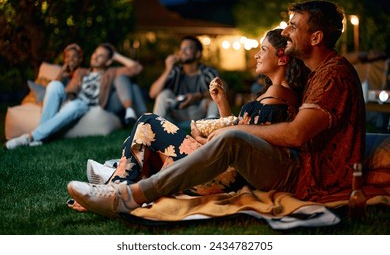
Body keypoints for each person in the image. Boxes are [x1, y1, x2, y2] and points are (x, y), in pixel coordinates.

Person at [67, 0, 366, 219]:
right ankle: (117, 183)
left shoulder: (334, 74)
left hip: (307, 177)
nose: (285, 32)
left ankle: (124, 193)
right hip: (296, 167)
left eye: (293, 26)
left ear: (316, 38)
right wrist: (229, 120)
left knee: (221, 137)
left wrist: (233, 127)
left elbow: (298, 133)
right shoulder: (319, 74)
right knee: (211, 136)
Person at [66, 28, 309, 212]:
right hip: (225, 169)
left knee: (149, 122)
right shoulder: (272, 94)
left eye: (263, 50)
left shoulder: (279, 97)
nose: (256, 55)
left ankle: (112, 187)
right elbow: (240, 135)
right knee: (151, 140)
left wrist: (208, 141)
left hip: (225, 177)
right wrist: (221, 103)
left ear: (282, 58)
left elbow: (248, 147)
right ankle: (113, 182)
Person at [5, 43, 145, 149]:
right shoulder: (81, 72)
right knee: (54, 86)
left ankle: (29, 137)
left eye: (101, 55)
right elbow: (69, 88)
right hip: (73, 100)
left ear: (108, 62)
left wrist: (115, 55)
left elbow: (137, 68)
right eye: (95, 53)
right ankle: (39, 138)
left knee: (76, 104)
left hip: (86, 105)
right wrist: (65, 93)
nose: (95, 56)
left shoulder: (110, 72)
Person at [149, 36, 220, 124]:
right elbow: (152, 94)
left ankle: (211, 128)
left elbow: (221, 91)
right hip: (177, 113)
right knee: (164, 94)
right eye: (181, 49)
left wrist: (197, 96)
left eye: (187, 48)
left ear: (198, 54)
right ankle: (156, 127)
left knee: (215, 99)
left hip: (200, 115)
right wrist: (168, 69)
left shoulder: (208, 72)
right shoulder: (175, 71)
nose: (182, 52)